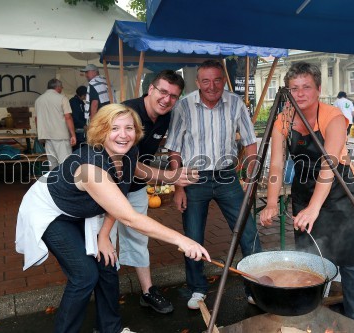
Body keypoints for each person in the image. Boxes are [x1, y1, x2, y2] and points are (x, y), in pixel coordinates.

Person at [16, 104, 210, 333]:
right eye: (114, 128)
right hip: (52, 211)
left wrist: (170, 176)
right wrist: (182, 240)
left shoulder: (128, 152)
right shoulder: (92, 167)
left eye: (129, 128)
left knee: (107, 265)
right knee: (85, 275)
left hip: (83, 209)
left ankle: (110, 329)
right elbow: (128, 217)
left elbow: (134, 172)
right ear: (101, 131)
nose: (123, 134)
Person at [259, 62, 354, 323]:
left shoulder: (333, 117)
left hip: (339, 193)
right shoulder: (283, 119)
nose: (300, 93)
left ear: (318, 89)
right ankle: (314, 315)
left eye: (306, 87)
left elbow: (329, 163)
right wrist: (271, 202)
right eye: (294, 88)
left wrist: (315, 208)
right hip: (304, 191)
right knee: (311, 257)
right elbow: (276, 163)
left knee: (350, 259)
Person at [165, 59, 262, 310]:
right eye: (205, 81)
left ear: (223, 81)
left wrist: (251, 174)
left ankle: (256, 287)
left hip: (227, 175)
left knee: (247, 231)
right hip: (193, 177)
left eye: (217, 80)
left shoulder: (235, 103)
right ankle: (197, 288)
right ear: (198, 83)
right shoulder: (184, 106)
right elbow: (174, 149)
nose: (212, 86)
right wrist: (178, 187)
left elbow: (250, 142)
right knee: (193, 235)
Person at [117, 70, 185, 314]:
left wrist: (176, 182)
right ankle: (104, 293)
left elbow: (169, 148)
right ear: (151, 89)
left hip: (134, 187)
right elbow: (129, 164)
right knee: (101, 240)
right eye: (163, 92)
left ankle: (147, 291)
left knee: (138, 236)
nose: (167, 99)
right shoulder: (127, 112)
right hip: (107, 187)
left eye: (174, 96)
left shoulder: (166, 116)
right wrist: (170, 177)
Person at [35, 78, 76, 169]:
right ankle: (65, 183)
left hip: (47, 137)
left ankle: (54, 182)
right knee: (65, 163)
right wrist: (73, 135)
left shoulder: (39, 100)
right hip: (61, 137)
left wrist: (40, 134)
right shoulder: (62, 98)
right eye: (61, 87)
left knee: (52, 164)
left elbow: (37, 119)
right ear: (58, 87)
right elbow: (68, 117)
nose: (61, 89)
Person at [70, 86, 87, 151]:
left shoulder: (81, 102)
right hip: (76, 130)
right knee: (78, 149)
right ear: (83, 95)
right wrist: (83, 125)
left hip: (81, 130)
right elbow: (74, 117)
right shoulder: (73, 102)